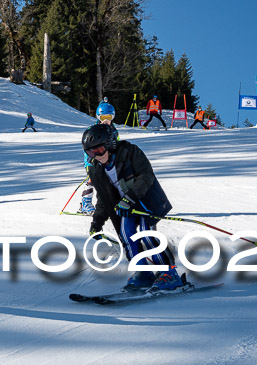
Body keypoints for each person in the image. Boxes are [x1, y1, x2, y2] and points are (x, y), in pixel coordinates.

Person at [82, 123, 184, 291]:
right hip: (125, 206)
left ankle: (169, 273)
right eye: (90, 152)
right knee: (126, 234)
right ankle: (143, 272)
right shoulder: (96, 170)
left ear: (110, 144)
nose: (96, 156)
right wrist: (96, 223)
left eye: (99, 150)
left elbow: (146, 175)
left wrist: (130, 198)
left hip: (145, 200)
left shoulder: (130, 152)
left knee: (146, 233)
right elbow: (103, 199)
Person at [78, 99, 119, 215]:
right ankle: (85, 203)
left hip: (107, 160)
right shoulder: (93, 130)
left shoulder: (114, 132)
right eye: (103, 118)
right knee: (93, 179)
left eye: (109, 118)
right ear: (98, 117)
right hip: (92, 160)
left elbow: (116, 145)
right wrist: (91, 158)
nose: (106, 121)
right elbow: (87, 146)